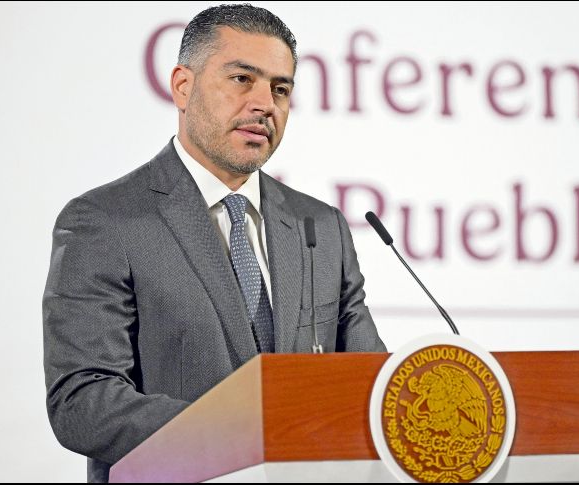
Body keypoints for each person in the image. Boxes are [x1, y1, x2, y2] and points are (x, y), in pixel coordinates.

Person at [42, 4, 386, 482]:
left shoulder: (321, 226)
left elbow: (372, 383)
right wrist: (242, 434)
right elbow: (82, 401)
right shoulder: (106, 221)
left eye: (280, 89)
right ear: (183, 87)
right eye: (243, 79)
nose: (265, 103)